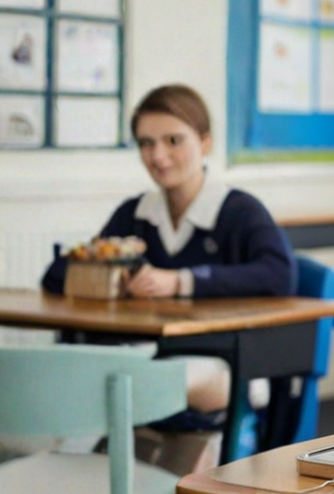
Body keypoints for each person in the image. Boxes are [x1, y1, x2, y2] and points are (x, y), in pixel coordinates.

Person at [40, 84, 293, 463]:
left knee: (139, 382)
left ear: (205, 143)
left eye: (173, 140)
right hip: (142, 358)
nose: (158, 156)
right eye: (146, 143)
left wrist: (181, 281)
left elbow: (278, 275)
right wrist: (112, 279)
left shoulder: (239, 211)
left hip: (222, 367)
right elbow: (57, 275)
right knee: (103, 376)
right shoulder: (136, 213)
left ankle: (80, 453)